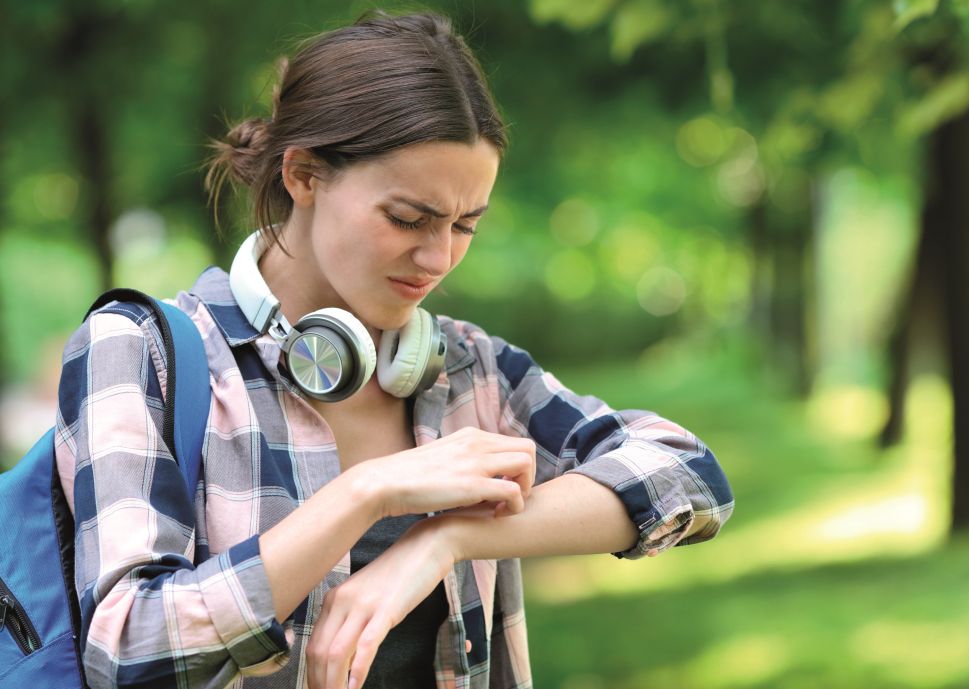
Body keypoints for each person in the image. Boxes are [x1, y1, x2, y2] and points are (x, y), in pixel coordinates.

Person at [54, 10, 735, 689]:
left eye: (465, 224)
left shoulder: (472, 370)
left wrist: (446, 538)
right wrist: (368, 491)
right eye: (408, 218)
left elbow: (689, 473)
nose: (438, 257)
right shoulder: (142, 352)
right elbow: (126, 644)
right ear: (304, 176)